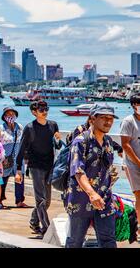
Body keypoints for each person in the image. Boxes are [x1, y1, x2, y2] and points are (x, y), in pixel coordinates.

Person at [65, 104, 119, 248]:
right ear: (92, 119)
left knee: (108, 240)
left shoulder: (108, 141)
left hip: (104, 200)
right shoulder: (81, 141)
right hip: (80, 200)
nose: (108, 122)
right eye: (103, 118)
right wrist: (92, 193)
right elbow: (78, 171)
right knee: (75, 241)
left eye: (111, 118)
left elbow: (107, 169)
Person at [16, 100, 62, 235]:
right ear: (34, 112)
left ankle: (34, 221)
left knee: (46, 201)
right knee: (40, 200)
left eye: (46, 109)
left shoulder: (53, 125)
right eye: (41, 110)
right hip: (35, 166)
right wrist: (19, 170)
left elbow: (57, 146)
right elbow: (21, 149)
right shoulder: (29, 128)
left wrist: (58, 140)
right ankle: (47, 229)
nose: (45, 112)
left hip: (49, 165)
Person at [0, 107, 28, 208]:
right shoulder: (1, 128)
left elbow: (24, 141)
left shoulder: (19, 127)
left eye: (12, 114)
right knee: (3, 178)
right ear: (4, 117)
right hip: (5, 157)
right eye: (8, 114)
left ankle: (19, 200)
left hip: (18, 157)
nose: (11, 116)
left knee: (20, 177)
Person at [120, 93, 140, 228]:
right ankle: (138, 227)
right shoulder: (128, 121)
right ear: (134, 106)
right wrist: (138, 162)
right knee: (139, 195)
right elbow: (125, 144)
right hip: (133, 164)